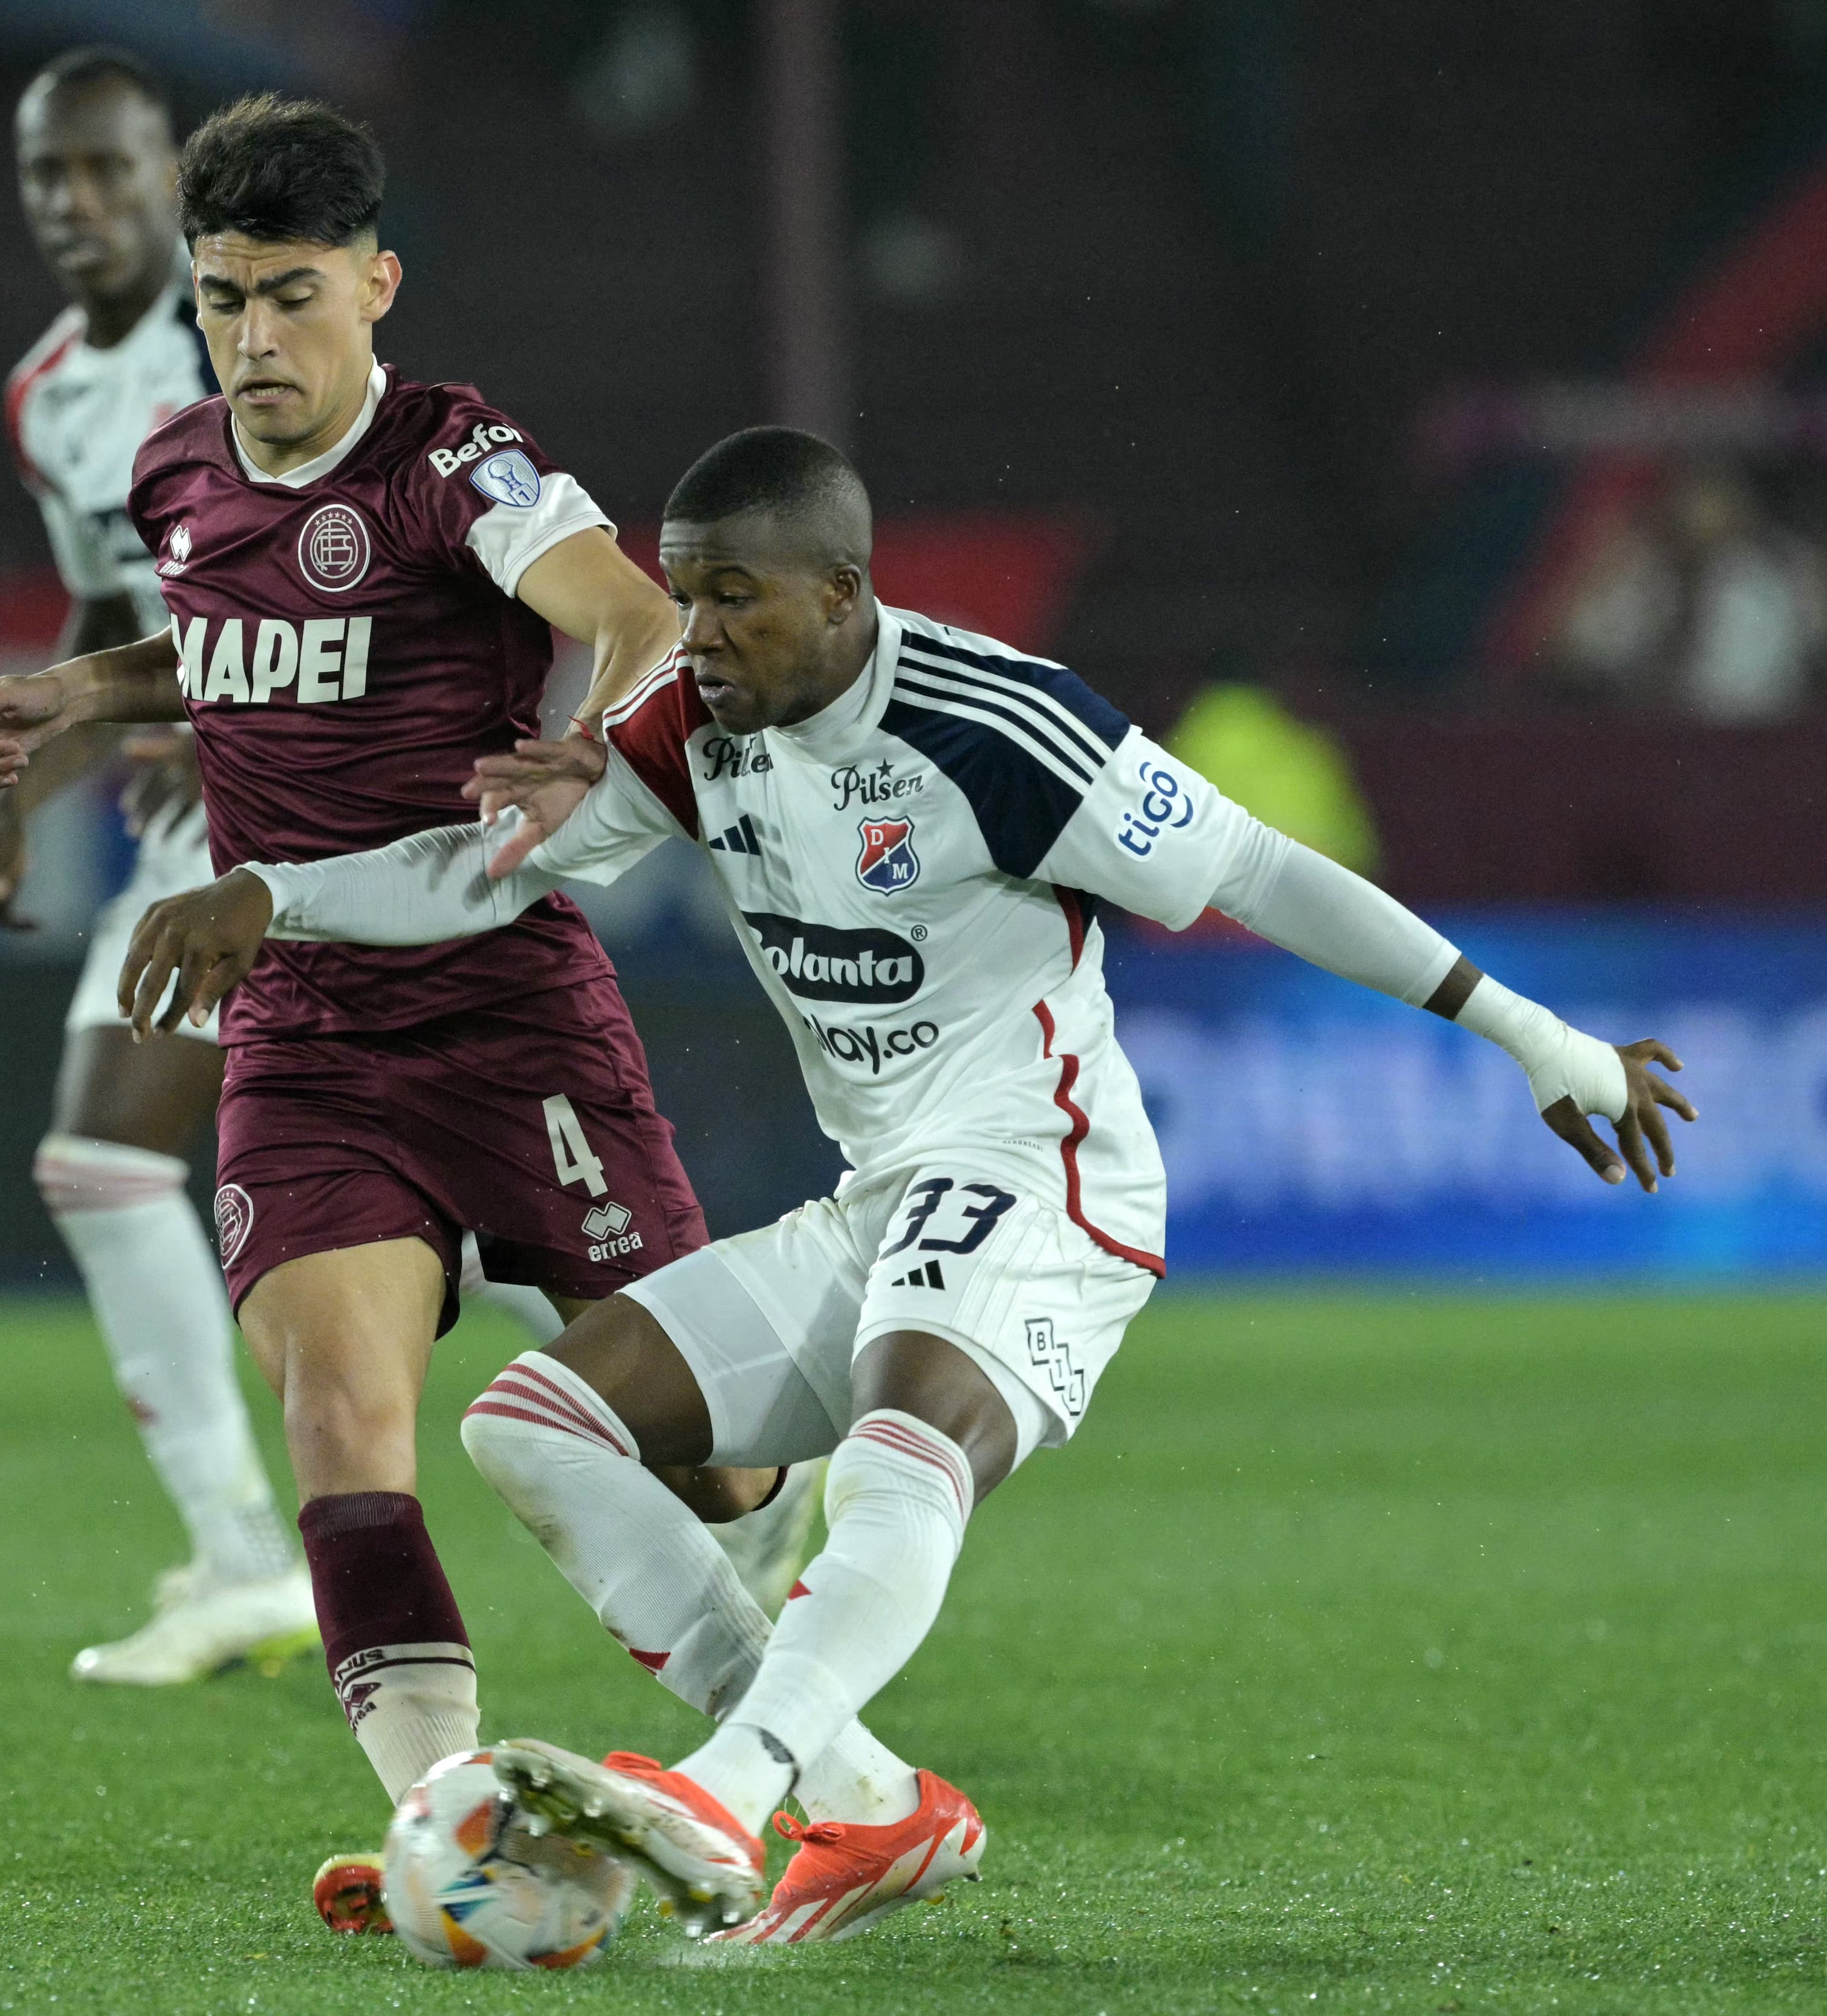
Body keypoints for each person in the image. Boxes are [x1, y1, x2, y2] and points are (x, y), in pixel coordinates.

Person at [121, 427, 1696, 1942]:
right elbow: (485, 866)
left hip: (1044, 1176)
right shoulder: (691, 729)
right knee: (534, 1428)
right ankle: (868, 1801)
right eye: (685, 591)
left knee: (895, 1447)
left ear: (843, 593)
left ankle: (730, 1794)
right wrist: (274, 894)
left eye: (735, 596)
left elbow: (1261, 871)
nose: (696, 631)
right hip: (881, 1194)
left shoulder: (999, 725)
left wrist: (1537, 1037)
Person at [0, 96, 810, 1927]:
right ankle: (452, 1830)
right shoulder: (176, 469)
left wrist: (596, 738)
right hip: (303, 1032)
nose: (254, 338)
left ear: (375, 285)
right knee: (344, 1422)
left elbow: (631, 613)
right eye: (223, 299)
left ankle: (772, 1565)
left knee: (710, 1456)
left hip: (511, 1018)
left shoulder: (455, 461)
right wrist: (80, 695)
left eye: (291, 295)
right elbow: (219, 638)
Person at [0, 47, 317, 1689]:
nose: (78, 202)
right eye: (51, 174)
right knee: (401, 1177)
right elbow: (115, 605)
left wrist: (235, 692)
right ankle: (726, 1462)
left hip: (315, 796)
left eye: (109, 169)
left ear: (172, 177)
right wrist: (27, 789)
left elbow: (345, 553)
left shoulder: (249, 335)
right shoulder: (50, 396)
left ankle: (248, 1556)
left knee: (119, 1163)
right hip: (201, 814)